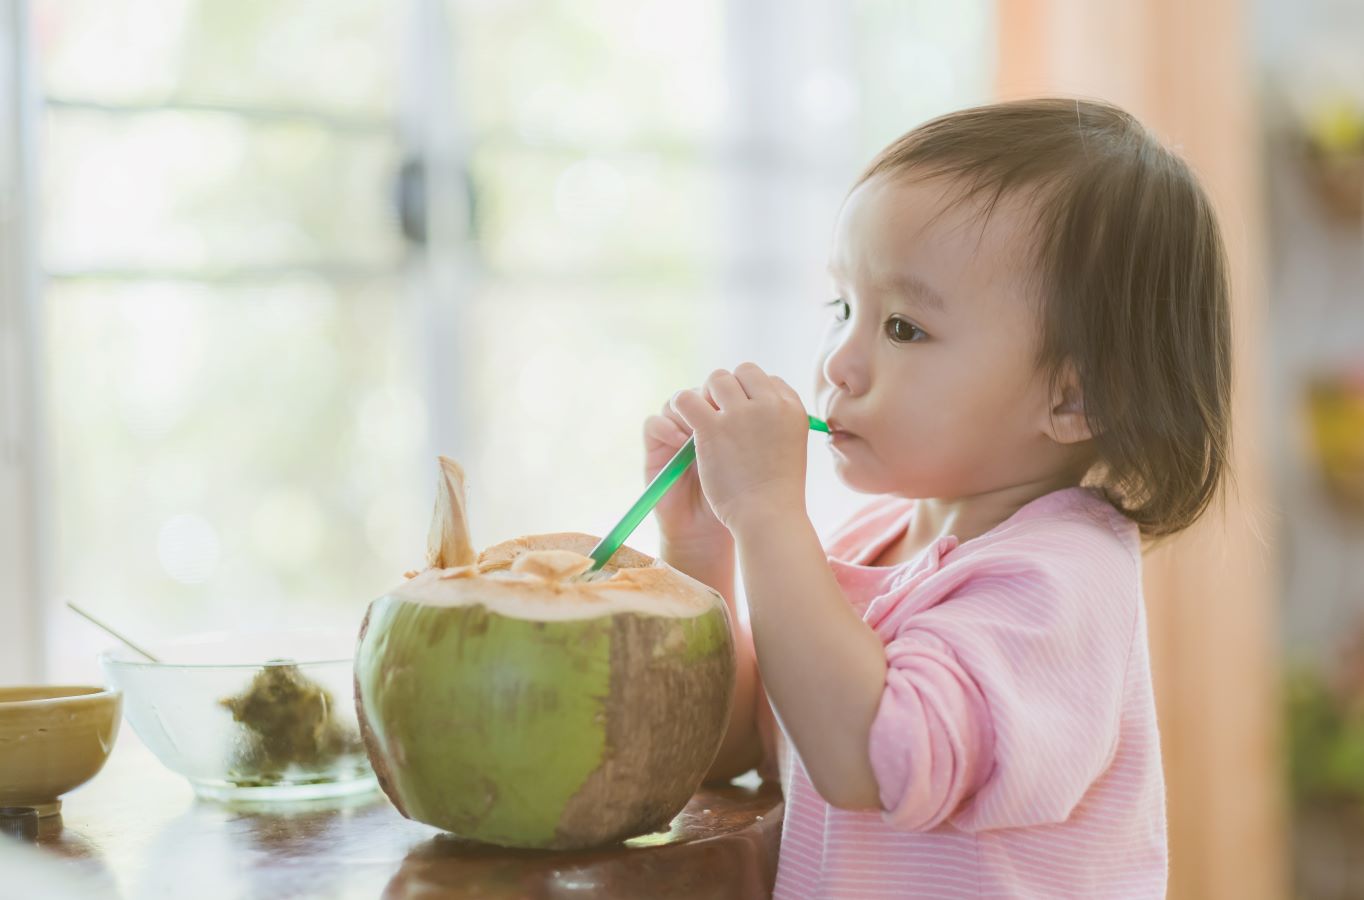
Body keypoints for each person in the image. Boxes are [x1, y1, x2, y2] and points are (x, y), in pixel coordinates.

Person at [642, 97, 1231, 898]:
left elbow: (863, 756)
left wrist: (769, 516)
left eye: (904, 328)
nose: (838, 365)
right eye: (843, 308)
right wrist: (702, 550)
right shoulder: (875, 538)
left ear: (1076, 396)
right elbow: (739, 746)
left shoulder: (1057, 587)